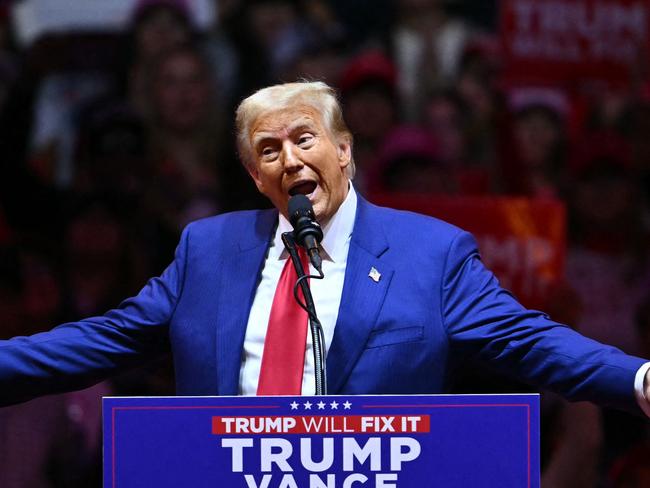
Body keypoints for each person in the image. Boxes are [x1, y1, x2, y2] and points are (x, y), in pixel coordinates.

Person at [1, 81, 649, 417]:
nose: (289, 159)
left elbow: (532, 342)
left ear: (344, 150)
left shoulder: (431, 254)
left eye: (304, 139)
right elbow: (96, 341)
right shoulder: (208, 249)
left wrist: (641, 381)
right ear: (256, 178)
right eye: (268, 150)